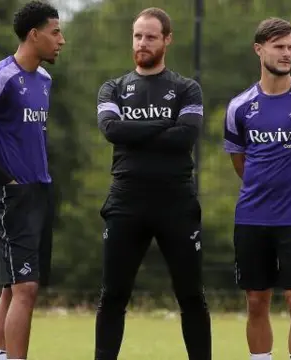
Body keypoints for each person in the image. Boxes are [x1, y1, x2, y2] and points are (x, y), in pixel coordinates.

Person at [94, 7, 211, 360]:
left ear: (167, 40)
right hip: (126, 201)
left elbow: (186, 135)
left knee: (191, 296)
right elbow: (112, 131)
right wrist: (164, 125)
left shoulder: (186, 88)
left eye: (150, 36)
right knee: (113, 295)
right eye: (137, 36)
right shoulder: (112, 87)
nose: (142, 43)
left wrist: (137, 134)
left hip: (176, 203)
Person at [223, 17, 291, 360]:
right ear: (259, 50)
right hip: (252, 217)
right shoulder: (239, 107)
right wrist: (266, 186)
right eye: (279, 47)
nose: (287, 54)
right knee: (256, 300)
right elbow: (240, 162)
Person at [0, 1, 64, 359]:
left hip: (39, 191)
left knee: (13, 284)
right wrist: (7, 181)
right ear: (34, 35)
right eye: (55, 32)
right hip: (10, 193)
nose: (61, 40)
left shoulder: (45, 80)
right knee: (26, 286)